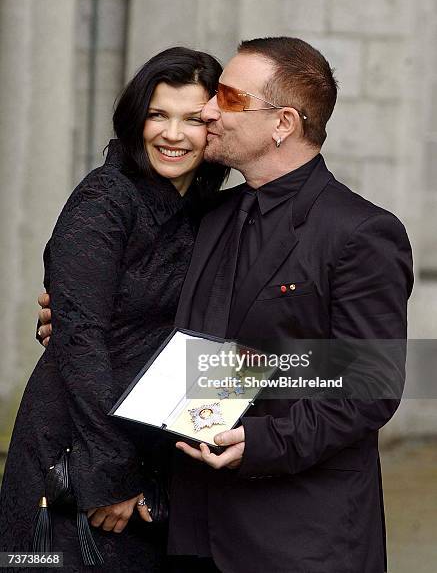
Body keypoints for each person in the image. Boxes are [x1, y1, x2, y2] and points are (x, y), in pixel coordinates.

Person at [37, 37, 413, 573]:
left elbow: (372, 379)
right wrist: (81, 316)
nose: (209, 111)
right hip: (184, 530)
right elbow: (166, 321)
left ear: (283, 123)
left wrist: (261, 440)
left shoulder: (361, 232)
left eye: (229, 98)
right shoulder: (209, 214)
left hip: (300, 540)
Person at [0, 46, 228, 572]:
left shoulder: (210, 213)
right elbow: (80, 341)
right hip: (77, 452)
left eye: (193, 119)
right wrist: (111, 475)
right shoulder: (104, 200)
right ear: (135, 117)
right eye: (158, 114)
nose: (173, 134)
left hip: (157, 462)